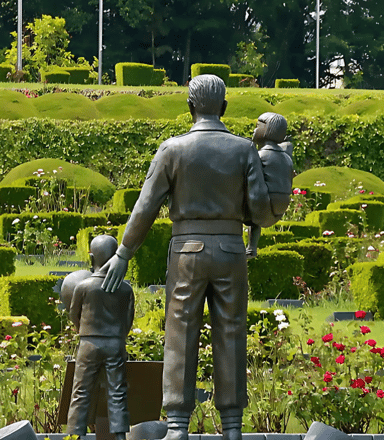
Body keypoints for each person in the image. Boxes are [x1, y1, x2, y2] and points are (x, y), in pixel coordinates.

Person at [101, 74, 276, 440]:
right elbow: (260, 210)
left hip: (187, 252)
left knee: (179, 333)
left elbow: (145, 207)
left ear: (190, 107)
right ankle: (232, 427)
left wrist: (123, 253)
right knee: (231, 333)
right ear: (224, 107)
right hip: (230, 250)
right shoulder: (243, 149)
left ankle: (178, 425)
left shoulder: (173, 149)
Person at [67, 235, 135, 440]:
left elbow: (73, 314)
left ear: (91, 257)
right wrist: (117, 335)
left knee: (81, 392)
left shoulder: (84, 287)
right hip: (115, 343)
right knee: (117, 392)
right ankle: (120, 436)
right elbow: (129, 319)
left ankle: (75, 435)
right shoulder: (125, 289)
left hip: (89, 342)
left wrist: (85, 330)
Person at [245, 112, 294, 259]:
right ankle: (251, 248)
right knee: (255, 221)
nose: (254, 130)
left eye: (257, 127)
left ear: (267, 130)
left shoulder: (260, 156)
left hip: (263, 205)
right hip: (280, 206)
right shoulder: (286, 157)